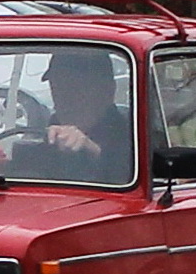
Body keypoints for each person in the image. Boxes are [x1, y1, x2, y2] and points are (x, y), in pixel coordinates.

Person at [42, 50, 132, 183]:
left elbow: (125, 176)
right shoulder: (53, 126)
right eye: (57, 87)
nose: (62, 98)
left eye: (73, 88)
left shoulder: (131, 132)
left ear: (107, 90)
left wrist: (90, 149)